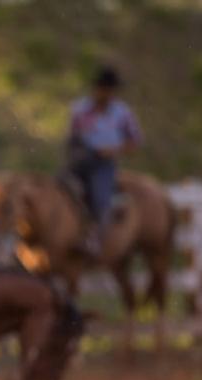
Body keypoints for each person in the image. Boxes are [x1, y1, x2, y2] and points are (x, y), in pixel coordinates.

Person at [65, 66, 143, 255]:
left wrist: (114, 150)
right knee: (61, 188)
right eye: (105, 89)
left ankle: (95, 240)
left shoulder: (121, 113)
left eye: (111, 90)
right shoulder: (80, 109)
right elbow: (71, 136)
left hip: (104, 163)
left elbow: (135, 141)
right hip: (81, 159)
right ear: (97, 89)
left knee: (100, 198)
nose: (108, 94)